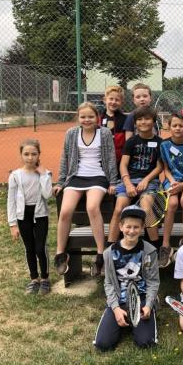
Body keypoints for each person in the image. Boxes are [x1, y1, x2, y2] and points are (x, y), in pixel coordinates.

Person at [53, 102, 118, 277]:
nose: (87, 120)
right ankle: (60, 254)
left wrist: (112, 182)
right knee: (65, 211)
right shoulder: (71, 133)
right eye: (83, 117)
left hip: (98, 176)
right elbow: (64, 158)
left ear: (97, 118)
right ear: (78, 118)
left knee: (92, 207)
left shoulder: (104, 133)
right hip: (76, 176)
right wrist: (60, 182)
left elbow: (111, 159)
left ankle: (100, 254)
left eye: (90, 117)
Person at [93, 205, 159, 351]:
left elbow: (153, 281)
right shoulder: (109, 253)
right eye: (128, 226)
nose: (131, 231)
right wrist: (116, 309)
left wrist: (148, 304)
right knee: (103, 344)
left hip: (141, 299)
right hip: (119, 299)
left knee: (146, 343)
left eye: (136, 227)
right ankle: (122, 317)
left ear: (142, 228)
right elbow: (109, 283)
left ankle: (140, 319)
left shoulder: (149, 251)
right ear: (121, 226)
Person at [108, 106, 163, 247]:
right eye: (139, 119)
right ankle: (110, 248)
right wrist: (127, 183)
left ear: (153, 121)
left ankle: (155, 247)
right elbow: (123, 165)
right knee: (119, 209)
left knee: (146, 209)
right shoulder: (131, 141)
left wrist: (146, 180)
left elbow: (159, 167)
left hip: (149, 182)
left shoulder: (159, 142)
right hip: (129, 181)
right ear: (135, 123)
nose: (143, 122)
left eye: (147, 119)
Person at [7, 139, 53, 295]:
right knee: (30, 248)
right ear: (21, 155)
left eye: (34, 154)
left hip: (40, 215)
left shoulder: (45, 173)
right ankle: (34, 279)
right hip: (23, 216)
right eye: (26, 154)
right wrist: (12, 224)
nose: (30, 157)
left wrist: (43, 175)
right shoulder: (15, 176)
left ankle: (45, 279)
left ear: (39, 154)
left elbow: (47, 194)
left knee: (40, 248)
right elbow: (11, 200)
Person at [157, 114, 183, 267]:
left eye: (181, 126)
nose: (178, 128)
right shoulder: (164, 145)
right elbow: (166, 169)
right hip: (171, 181)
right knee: (172, 203)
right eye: (174, 125)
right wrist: (173, 182)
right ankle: (166, 246)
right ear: (169, 127)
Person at [99, 85, 127, 161]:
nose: (113, 102)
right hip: (101, 157)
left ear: (121, 102)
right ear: (105, 100)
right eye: (111, 99)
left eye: (117, 100)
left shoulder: (125, 119)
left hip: (118, 158)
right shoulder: (98, 119)